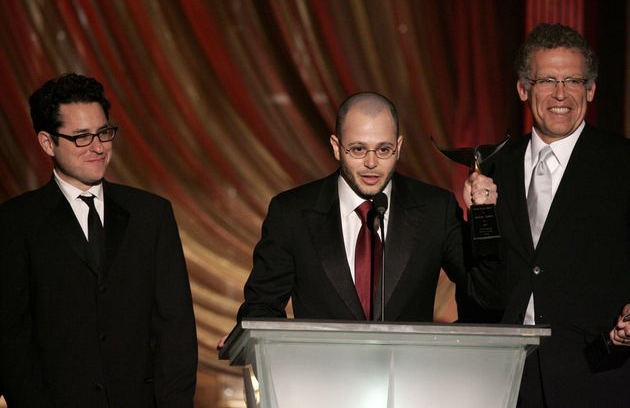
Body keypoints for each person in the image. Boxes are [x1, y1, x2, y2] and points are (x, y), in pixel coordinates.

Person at [0, 74, 198, 406]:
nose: (98, 147)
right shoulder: (15, 222)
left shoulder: (152, 215)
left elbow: (175, 329)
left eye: (104, 132)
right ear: (48, 143)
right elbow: (10, 337)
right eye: (81, 137)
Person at [464, 23, 630, 406]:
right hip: (505, 381)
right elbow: (483, 289)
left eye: (573, 81)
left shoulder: (623, 164)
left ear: (591, 89)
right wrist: (478, 221)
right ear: (523, 89)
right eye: (547, 81)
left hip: (599, 377)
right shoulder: (492, 166)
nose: (561, 94)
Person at [233, 91, 486, 327]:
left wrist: (484, 216)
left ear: (398, 147)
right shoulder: (291, 212)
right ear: (336, 146)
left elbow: (485, 293)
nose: (371, 163)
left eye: (384, 149)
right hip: (321, 372)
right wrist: (248, 338)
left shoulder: (435, 208)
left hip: (409, 372)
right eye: (358, 149)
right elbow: (261, 307)